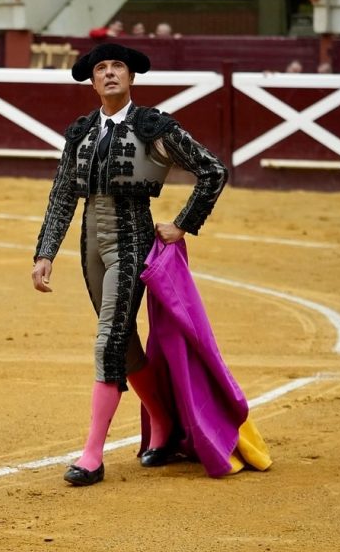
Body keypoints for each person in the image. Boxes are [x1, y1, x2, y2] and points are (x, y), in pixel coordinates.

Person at [31, 43, 229, 486]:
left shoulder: (152, 126)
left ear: (131, 77)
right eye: (101, 68)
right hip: (91, 242)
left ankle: (92, 455)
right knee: (122, 342)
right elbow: (62, 194)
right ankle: (162, 421)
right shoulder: (81, 131)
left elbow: (212, 171)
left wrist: (183, 224)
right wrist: (45, 253)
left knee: (108, 340)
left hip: (132, 237)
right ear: (92, 81)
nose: (109, 73)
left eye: (117, 66)